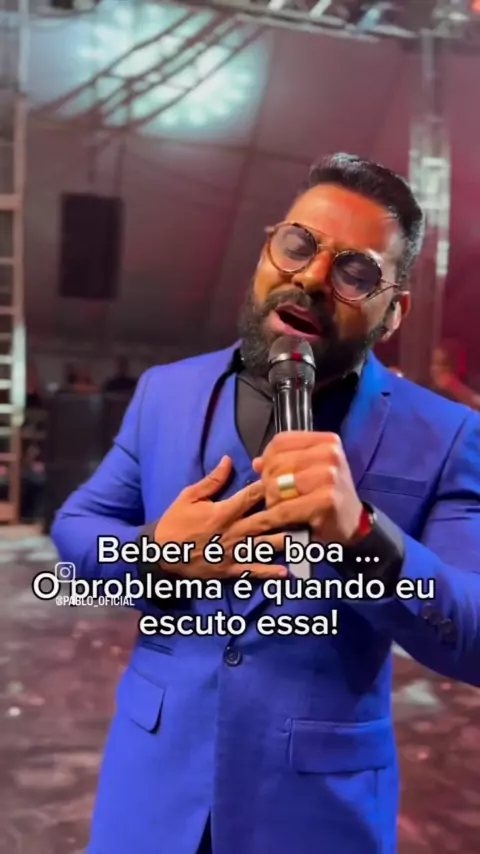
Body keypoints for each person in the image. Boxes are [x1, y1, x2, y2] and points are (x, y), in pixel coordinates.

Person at [52, 153, 480, 854]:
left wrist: (366, 537)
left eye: (356, 272)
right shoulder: (166, 393)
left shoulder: (446, 434)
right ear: (266, 252)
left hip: (318, 816)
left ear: (394, 311)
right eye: (298, 245)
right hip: (152, 795)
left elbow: (474, 635)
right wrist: (155, 557)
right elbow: (76, 530)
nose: (311, 277)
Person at [430, 339, 480, 409]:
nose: (436, 369)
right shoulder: (426, 391)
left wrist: (454, 386)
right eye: (434, 363)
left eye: (444, 365)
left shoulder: (471, 386)